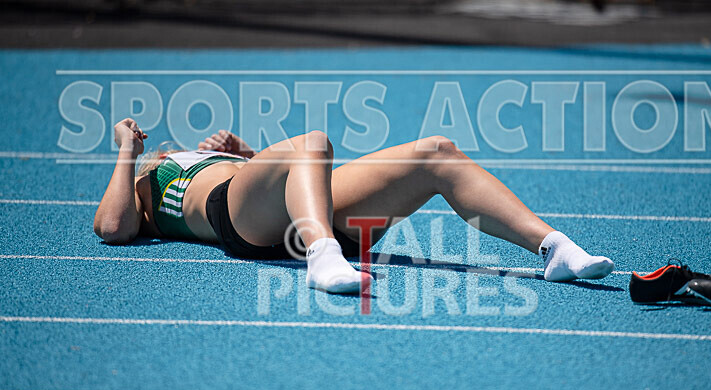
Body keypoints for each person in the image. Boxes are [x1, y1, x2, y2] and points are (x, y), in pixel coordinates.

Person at [94, 118, 614, 293]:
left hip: (288, 209)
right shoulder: (144, 179)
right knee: (311, 141)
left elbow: (290, 175)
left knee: (436, 152)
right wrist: (127, 151)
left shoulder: (207, 159)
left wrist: (245, 154)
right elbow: (111, 226)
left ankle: (554, 248)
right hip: (237, 223)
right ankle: (321, 257)